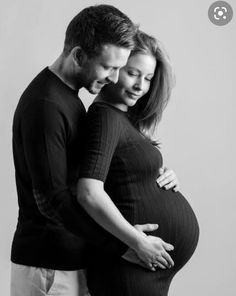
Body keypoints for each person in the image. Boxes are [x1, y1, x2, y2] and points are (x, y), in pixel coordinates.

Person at [11, 5, 140, 296]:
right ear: (79, 55)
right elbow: (51, 201)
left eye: (120, 68)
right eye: (109, 67)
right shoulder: (46, 105)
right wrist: (122, 245)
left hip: (68, 262)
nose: (116, 78)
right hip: (48, 268)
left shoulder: (68, 97)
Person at [77, 30, 200, 296]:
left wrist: (165, 178)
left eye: (148, 78)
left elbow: (125, 176)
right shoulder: (105, 117)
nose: (140, 86)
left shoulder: (122, 119)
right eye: (133, 73)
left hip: (144, 270)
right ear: (115, 68)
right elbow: (88, 191)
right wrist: (138, 242)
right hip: (129, 268)